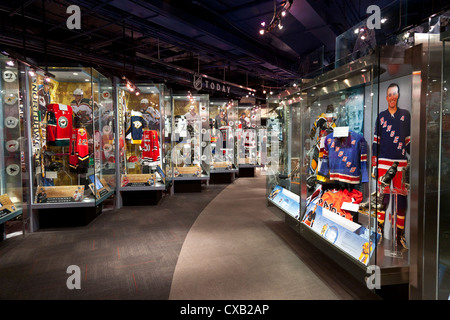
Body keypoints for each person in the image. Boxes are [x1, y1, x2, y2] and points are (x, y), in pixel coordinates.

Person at [372, 83, 411, 249]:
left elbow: (408, 140)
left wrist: (415, 155)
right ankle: (379, 232)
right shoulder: (381, 117)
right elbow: (376, 141)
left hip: (401, 164)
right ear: (387, 97)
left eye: (395, 94)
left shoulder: (406, 115)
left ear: (398, 95)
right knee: (383, 199)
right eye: (389, 94)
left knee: (401, 201)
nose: (392, 97)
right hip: (384, 163)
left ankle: (399, 236)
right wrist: (375, 164)